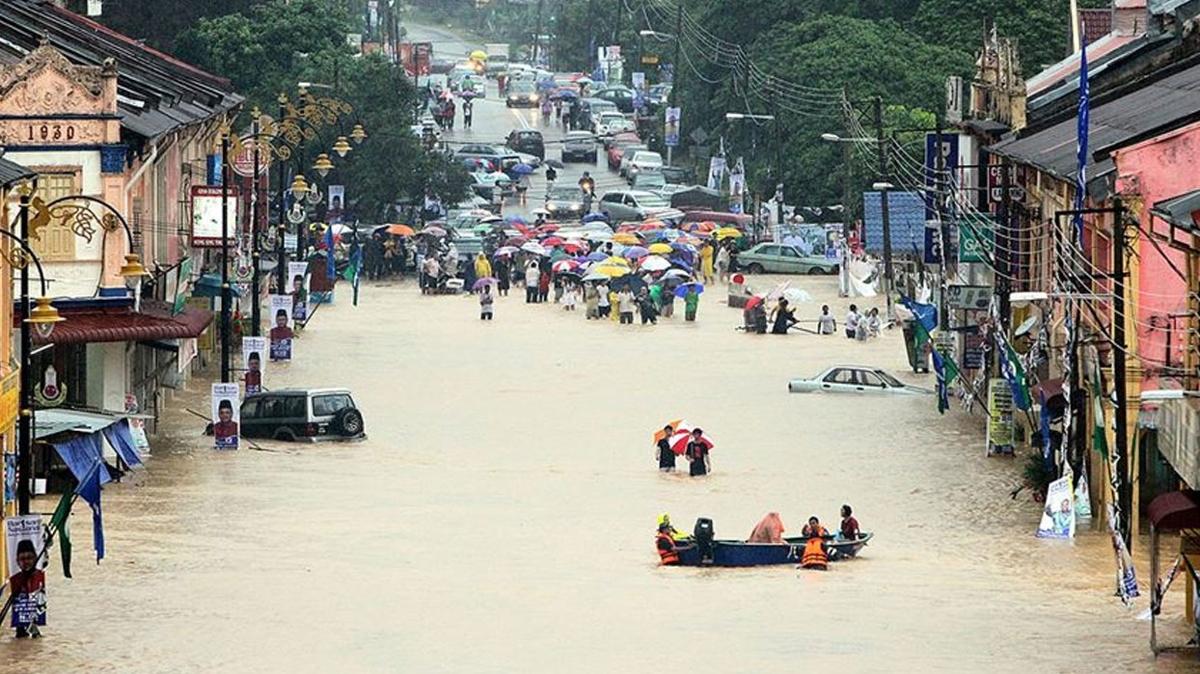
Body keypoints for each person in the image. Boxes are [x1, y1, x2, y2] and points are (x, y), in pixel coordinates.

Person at [9, 539, 45, 638]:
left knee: (36, 637)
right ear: (17, 561)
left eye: (29, 558)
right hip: (21, 612)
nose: (26, 562)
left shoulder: (39, 575)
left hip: (35, 612)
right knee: (20, 635)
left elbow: (45, 558)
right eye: (23, 559)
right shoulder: (15, 579)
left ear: (35, 558)